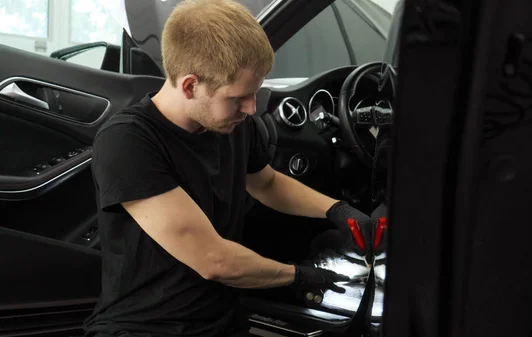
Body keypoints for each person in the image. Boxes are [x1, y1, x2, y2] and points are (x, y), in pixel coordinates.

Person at [82, 1, 374, 336]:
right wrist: (298, 275)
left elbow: (265, 184)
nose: (251, 109)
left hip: (223, 320)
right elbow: (214, 260)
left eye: (255, 93)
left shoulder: (230, 124)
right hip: (146, 327)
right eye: (238, 97)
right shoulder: (128, 140)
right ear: (190, 85)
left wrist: (336, 209)